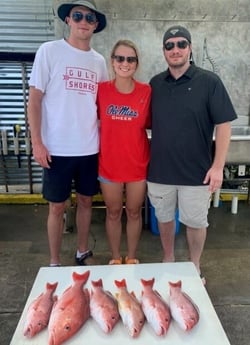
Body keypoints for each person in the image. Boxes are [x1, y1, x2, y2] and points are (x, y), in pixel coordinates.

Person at [147, 25, 237, 282]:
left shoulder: (209, 82)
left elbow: (224, 125)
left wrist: (218, 166)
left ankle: (194, 265)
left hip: (197, 172)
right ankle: (168, 258)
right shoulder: (155, 84)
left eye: (181, 44)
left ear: (190, 48)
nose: (175, 49)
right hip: (160, 171)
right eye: (169, 45)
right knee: (164, 219)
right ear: (164, 51)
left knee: (196, 222)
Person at [27, 0, 108, 267]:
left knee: (86, 201)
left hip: (89, 148)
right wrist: (37, 142)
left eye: (89, 17)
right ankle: (53, 261)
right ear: (68, 20)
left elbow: (102, 107)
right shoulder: (49, 51)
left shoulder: (99, 62)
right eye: (78, 16)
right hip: (56, 149)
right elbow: (35, 99)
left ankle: (82, 251)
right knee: (56, 206)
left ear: (95, 25)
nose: (84, 21)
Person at [97, 39, 151, 265]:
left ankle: (131, 257)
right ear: (112, 61)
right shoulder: (101, 90)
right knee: (113, 212)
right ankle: (116, 257)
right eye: (120, 58)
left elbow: (155, 123)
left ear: (136, 64)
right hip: (109, 164)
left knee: (134, 212)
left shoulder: (146, 92)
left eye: (130, 59)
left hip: (137, 163)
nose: (125, 63)